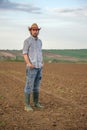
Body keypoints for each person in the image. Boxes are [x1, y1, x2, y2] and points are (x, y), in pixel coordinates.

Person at [23, 23, 44, 111]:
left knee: (36, 86)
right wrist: (29, 64)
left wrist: (42, 62)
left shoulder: (40, 41)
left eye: (36, 30)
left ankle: (36, 103)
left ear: (38, 31)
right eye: (33, 30)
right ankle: (27, 105)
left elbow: (40, 53)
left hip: (39, 67)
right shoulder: (27, 41)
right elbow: (25, 53)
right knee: (28, 86)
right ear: (30, 31)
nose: (35, 31)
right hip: (31, 67)